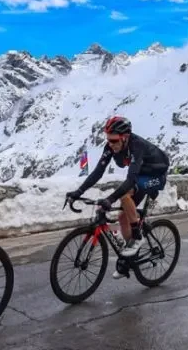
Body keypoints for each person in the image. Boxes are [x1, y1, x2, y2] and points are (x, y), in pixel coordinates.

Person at [66, 116, 170, 278]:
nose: (111, 144)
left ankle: (137, 237)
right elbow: (98, 172)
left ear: (125, 137)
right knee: (122, 217)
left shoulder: (137, 146)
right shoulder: (111, 147)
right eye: (108, 140)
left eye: (114, 140)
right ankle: (129, 259)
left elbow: (130, 180)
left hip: (156, 175)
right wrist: (78, 192)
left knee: (124, 196)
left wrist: (110, 199)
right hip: (141, 174)